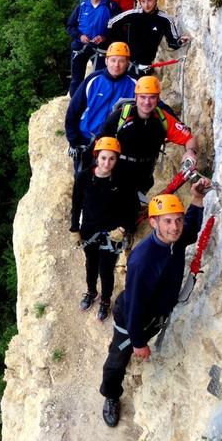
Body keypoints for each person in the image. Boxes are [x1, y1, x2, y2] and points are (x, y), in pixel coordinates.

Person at [99, 179, 212, 427]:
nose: (175, 227)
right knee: (118, 358)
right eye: (168, 221)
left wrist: (197, 199)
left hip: (154, 314)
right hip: (132, 318)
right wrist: (138, 342)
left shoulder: (175, 239)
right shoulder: (143, 260)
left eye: (178, 220)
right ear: (154, 223)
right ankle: (110, 395)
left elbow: (191, 229)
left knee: (128, 348)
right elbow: (135, 306)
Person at [69, 137, 138, 321]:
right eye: (103, 158)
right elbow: (76, 204)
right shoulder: (83, 177)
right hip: (89, 230)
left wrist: (123, 229)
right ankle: (91, 291)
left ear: (117, 159)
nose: (107, 163)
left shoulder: (122, 179)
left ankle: (105, 300)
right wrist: (74, 229)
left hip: (111, 233)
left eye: (112, 159)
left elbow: (132, 207)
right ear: (96, 157)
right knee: (91, 264)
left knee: (106, 269)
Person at [99, 75, 199, 196]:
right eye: (143, 97)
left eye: (152, 97)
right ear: (136, 97)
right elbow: (100, 143)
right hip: (117, 173)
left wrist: (190, 151)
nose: (147, 102)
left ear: (158, 98)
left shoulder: (163, 119)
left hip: (143, 177)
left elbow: (189, 138)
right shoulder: (120, 117)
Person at [65, 42, 135, 173]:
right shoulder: (93, 80)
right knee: (84, 180)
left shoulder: (134, 85)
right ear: (106, 61)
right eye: (113, 60)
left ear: (127, 63)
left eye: (121, 61)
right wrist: (73, 141)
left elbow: (151, 102)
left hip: (115, 145)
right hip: (87, 141)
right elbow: (73, 110)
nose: (116, 65)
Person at [106, 0, 190, 77]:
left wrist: (180, 41)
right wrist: (121, 44)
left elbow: (172, 42)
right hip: (126, 65)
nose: (146, 5)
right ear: (139, 2)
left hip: (145, 66)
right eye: (143, 1)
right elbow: (111, 24)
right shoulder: (133, 14)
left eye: (150, 0)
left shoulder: (164, 20)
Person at [66, 0, 121, 97]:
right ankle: (75, 102)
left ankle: (97, 100)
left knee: (100, 77)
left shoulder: (111, 6)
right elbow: (70, 26)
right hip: (80, 47)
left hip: (100, 47)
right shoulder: (81, 7)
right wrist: (80, 36)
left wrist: (105, 37)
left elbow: (118, 28)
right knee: (76, 79)